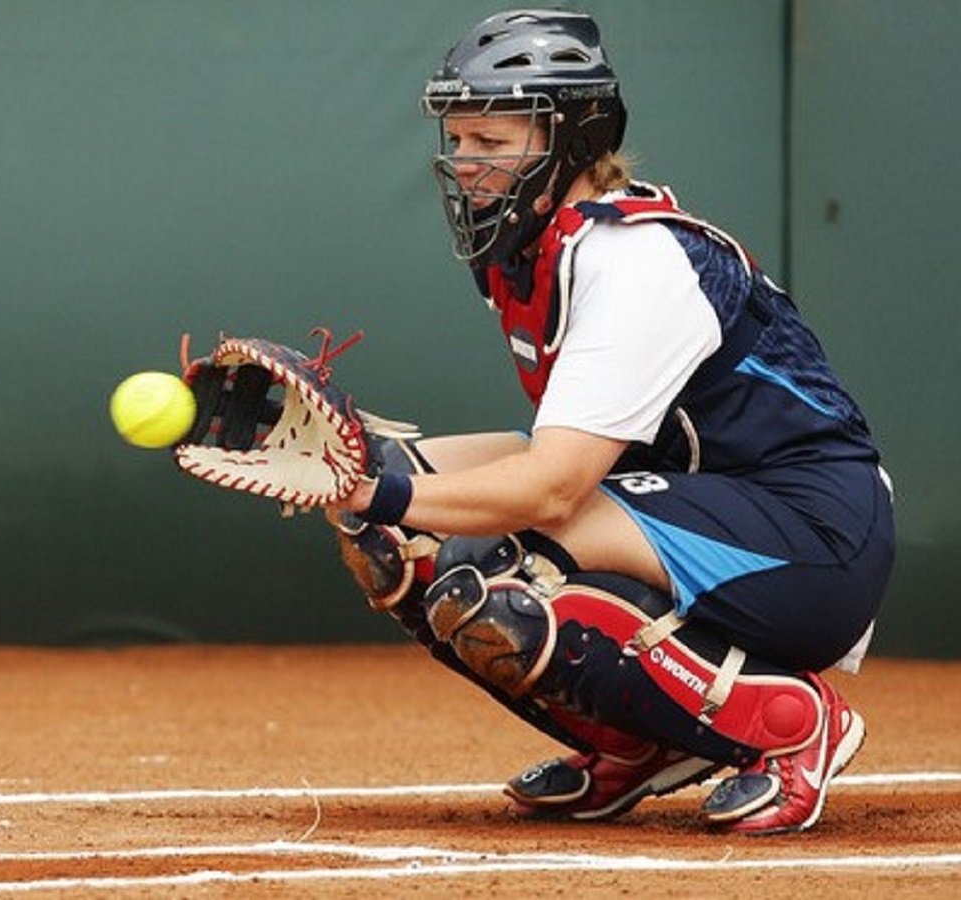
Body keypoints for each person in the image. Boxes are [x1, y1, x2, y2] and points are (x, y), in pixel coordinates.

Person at [328, 8, 894, 835]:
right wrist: (355, 466)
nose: (465, 164)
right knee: (392, 540)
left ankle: (791, 725)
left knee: (497, 552)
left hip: (814, 535)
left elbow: (554, 487)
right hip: (705, 506)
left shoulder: (635, 260)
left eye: (493, 144)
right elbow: (544, 451)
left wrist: (383, 488)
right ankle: (643, 740)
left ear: (571, 141)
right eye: (459, 142)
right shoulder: (532, 253)